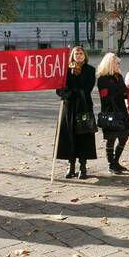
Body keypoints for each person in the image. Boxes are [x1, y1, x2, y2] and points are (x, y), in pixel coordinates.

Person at [56, 45, 97, 179]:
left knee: (84, 135)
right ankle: (71, 165)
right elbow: (60, 89)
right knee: (69, 136)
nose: (78, 55)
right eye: (76, 53)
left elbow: (86, 88)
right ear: (72, 56)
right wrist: (64, 91)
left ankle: (83, 166)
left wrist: (71, 91)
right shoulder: (65, 70)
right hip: (69, 107)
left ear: (84, 55)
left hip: (84, 106)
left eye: (80, 53)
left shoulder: (90, 70)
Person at [95, 53, 129, 174]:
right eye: (117, 63)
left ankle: (116, 161)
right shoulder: (102, 78)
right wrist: (119, 92)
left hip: (121, 109)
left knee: (124, 136)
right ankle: (111, 164)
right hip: (110, 111)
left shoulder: (119, 76)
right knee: (111, 138)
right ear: (110, 64)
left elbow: (124, 90)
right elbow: (104, 97)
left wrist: (128, 93)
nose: (119, 65)